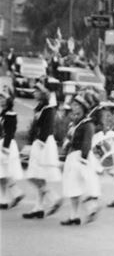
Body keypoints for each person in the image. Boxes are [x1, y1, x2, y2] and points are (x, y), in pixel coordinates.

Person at [59, 91, 101, 226]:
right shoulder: (74, 123)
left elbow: (87, 142)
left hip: (80, 157)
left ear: (83, 107)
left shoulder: (87, 124)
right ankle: (74, 216)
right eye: (74, 105)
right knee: (73, 187)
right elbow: (69, 139)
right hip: (72, 157)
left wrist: (83, 158)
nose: (74, 107)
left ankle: (91, 209)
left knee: (84, 185)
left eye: (77, 105)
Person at [22, 79, 62, 219]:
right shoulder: (41, 107)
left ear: (44, 92)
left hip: (43, 144)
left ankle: (53, 197)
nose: (34, 92)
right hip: (38, 143)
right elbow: (35, 128)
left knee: (32, 175)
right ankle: (38, 207)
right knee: (38, 176)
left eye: (37, 90)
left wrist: (37, 144)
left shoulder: (48, 108)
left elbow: (47, 129)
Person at [0, 87, 25, 209]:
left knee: (3, 173)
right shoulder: (3, 113)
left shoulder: (10, 115)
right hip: (2, 144)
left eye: (3, 98)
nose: (1, 100)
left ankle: (16, 192)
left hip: (5, 145)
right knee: (2, 173)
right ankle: (3, 199)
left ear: (9, 100)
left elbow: (9, 132)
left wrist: (5, 148)